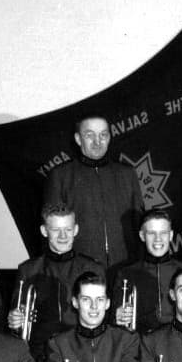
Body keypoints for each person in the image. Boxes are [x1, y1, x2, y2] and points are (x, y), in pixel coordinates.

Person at [42, 114, 144, 270]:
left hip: (125, 266)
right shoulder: (61, 175)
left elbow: (139, 223)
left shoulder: (127, 173)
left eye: (103, 135)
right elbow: (52, 229)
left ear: (109, 138)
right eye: (90, 135)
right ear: (78, 139)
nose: (97, 142)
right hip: (79, 268)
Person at [8, 204, 104, 359]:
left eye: (68, 229)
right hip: (39, 353)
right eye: (55, 230)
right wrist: (15, 319)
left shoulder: (93, 268)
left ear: (76, 230)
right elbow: (17, 317)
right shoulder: (28, 269)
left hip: (82, 351)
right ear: (44, 231)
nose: (63, 236)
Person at [109, 209, 182, 334]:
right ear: (142, 236)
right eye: (151, 233)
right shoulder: (126, 274)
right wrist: (116, 316)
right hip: (140, 341)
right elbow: (113, 318)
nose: (157, 239)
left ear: (170, 235)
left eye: (163, 233)